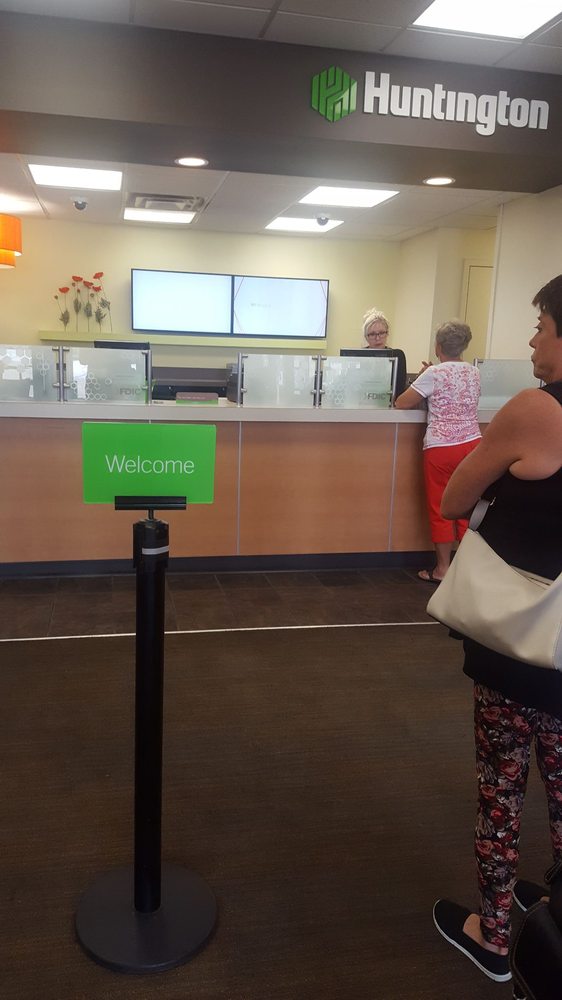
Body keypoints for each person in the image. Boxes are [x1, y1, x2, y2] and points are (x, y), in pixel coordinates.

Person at [432, 274, 562, 984]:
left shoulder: (537, 409)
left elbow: (456, 497)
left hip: (525, 644)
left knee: (502, 788)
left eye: (541, 324)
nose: (532, 339)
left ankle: (492, 931)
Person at [394, 320, 481, 583]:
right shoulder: (474, 372)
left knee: (441, 508)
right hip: (473, 445)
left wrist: (424, 377)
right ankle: (465, 571)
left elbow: (402, 403)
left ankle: (442, 569)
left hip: (441, 448)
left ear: (438, 346)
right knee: (467, 508)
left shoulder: (434, 373)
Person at [361, 307, 407, 396]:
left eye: (381, 333)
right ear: (366, 337)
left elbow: (399, 391)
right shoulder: (358, 357)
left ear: (387, 333)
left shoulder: (397, 356)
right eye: (372, 334)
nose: (377, 338)